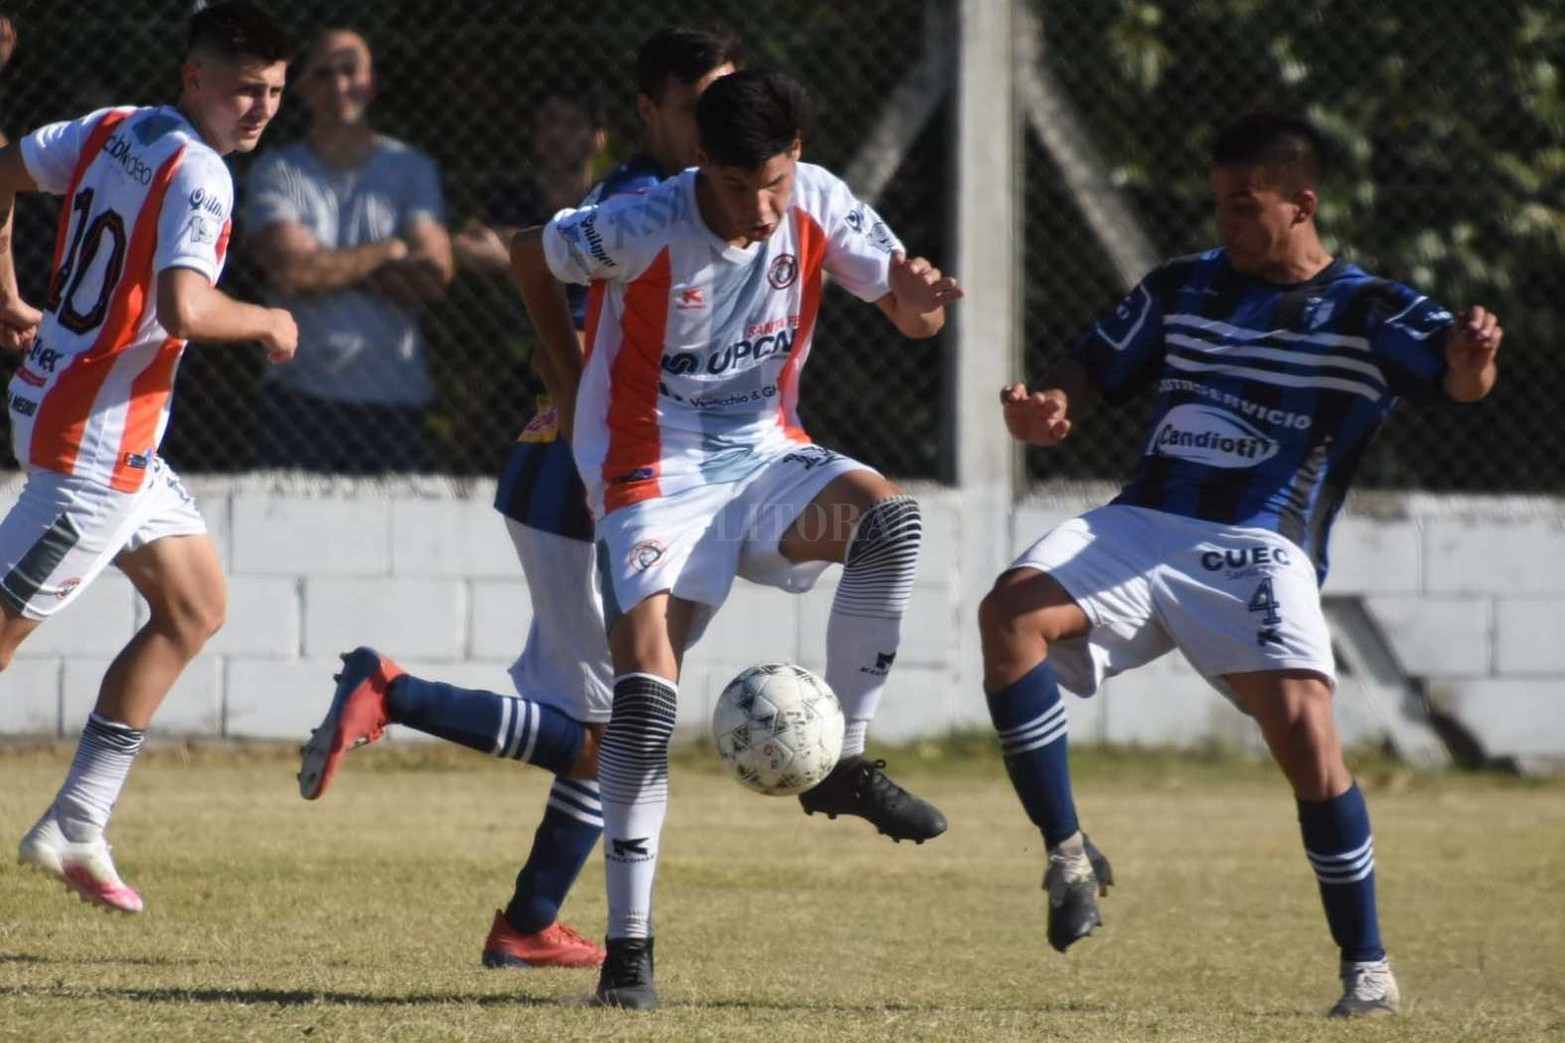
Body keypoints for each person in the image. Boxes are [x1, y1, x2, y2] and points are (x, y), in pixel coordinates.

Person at [978, 111, 1501, 1018]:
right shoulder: (1185, 284)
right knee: (1008, 613)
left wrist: (1471, 363)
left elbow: (1457, 381)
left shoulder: (1371, 307)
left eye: (1241, 205)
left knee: (1306, 740)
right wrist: (1051, 404)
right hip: (1141, 523)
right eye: (1217, 202)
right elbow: (1092, 367)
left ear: (1300, 205)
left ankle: (1365, 968)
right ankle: (1066, 851)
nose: (1222, 221)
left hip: (1259, 544)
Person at [508, 67, 963, 1009]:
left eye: (777, 183)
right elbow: (526, 253)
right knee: (644, 699)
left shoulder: (822, 201)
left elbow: (915, 318)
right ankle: (629, 951)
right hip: (648, 474)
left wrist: (920, 296)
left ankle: (841, 763)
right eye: (736, 186)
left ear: (797, 160)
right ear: (698, 164)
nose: (760, 210)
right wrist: (565, 379)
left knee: (890, 519)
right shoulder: (639, 221)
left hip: (764, 460)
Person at [297, 26, 741, 974]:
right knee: (614, 733)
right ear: (652, 111)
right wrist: (596, 432)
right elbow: (563, 333)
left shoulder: (691, 203)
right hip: (589, 491)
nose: (720, 124)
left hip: (576, 482)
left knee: (610, 724)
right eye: (701, 104)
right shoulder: (636, 205)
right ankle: (392, 691)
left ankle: (531, 920)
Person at [0, 2, 295, 913]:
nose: (261, 109)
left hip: (90, 415)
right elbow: (188, 307)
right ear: (195, 79)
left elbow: (4, 171)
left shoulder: (115, 127)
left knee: (194, 605)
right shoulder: (203, 175)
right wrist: (272, 321)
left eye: (276, 93)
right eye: (245, 89)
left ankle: (78, 821)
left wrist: (9, 295)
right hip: (93, 449)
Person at [245, 27, 452, 473]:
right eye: (324, 74)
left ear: (372, 82)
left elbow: (433, 274)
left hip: (394, 401)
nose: (339, 85)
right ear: (301, 88)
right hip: (299, 398)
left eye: (349, 70)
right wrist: (390, 250)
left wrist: (327, 266)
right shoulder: (277, 170)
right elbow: (293, 273)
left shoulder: (411, 169)